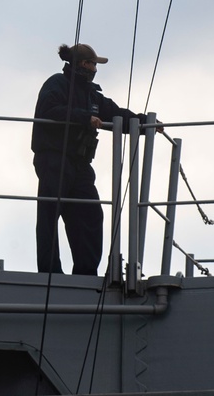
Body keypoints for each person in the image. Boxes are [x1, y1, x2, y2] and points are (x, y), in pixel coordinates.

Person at [32, 42, 155, 277]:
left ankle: (86, 272)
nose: (95, 69)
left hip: (79, 164)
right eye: (92, 64)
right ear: (82, 64)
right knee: (50, 214)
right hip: (54, 159)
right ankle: (49, 272)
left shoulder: (91, 95)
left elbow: (115, 112)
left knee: (90, 214)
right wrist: (84, 118)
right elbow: (48, 110)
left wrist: (143, 123)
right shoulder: (56, 84)